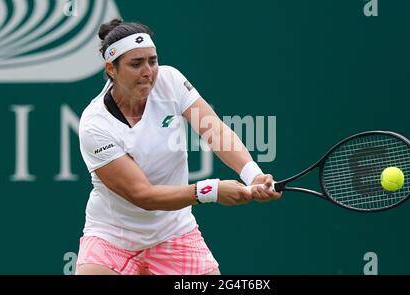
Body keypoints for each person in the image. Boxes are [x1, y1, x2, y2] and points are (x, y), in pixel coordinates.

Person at [75, 18, 281, 275]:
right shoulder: (95, 124)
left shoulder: (170, 80)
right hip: (112, 238)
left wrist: (254, 175)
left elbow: (215, 131)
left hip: (174, 233)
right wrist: (212, 191)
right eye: (135, 64)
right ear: (111, 69)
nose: (148, 71)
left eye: (152, 60)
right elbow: (143, 195)